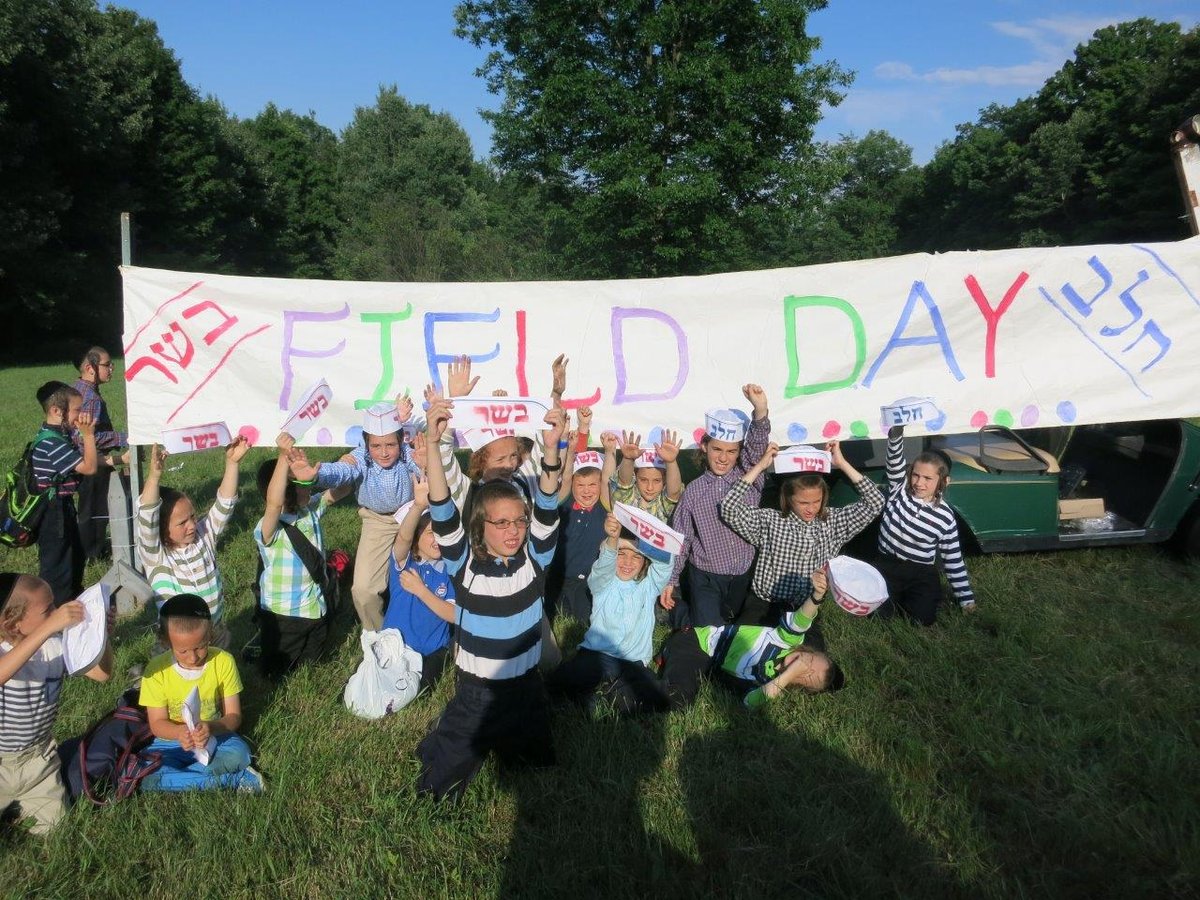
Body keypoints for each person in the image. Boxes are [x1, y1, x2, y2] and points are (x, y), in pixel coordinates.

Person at [403, 390, 566, 800]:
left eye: (519, 522)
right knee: (453, 760)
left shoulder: (536, 558)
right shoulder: (465, 564)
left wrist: (551, 451)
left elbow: (547, 503)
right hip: (477, 690)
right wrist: (436, 442)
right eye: (502, 523)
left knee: (535, 756)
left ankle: (520, 751)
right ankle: (434, 779)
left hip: (526, 684)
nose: (513, 531)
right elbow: (441, 504)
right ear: (481, 526)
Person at [291, 396, 422, 631]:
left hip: (414, 516)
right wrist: (317, 477)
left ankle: (421, 627)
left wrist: (425, 462)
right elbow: (343, 470)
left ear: (400, 440)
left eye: (390, 445)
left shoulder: (406, 453)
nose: (383, 453)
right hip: (377, 520)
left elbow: (424, 467)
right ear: (365, 443)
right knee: (363, 590)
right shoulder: (360, 457)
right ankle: (377, 634)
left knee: (423, 575)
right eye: (376, 446)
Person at [720, 442, 884, 625]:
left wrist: (842, 463)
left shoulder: (833, 522)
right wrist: (760, 467)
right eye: (803, 503)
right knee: (745, 647)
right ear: (788, 498)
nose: (811, 509)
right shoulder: (770, 520)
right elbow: (728, 507)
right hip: (765, 603)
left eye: (817, 501)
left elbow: (875, 502)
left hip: (806, 606)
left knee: (808, 652)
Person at [0, 573, 112, 834]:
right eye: (47, 609)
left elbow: (102, 675)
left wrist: (102, 637)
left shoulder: (55, 645)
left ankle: (20, 805)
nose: (57, 611)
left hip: (38, 760)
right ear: (14, 624)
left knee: (55, 828)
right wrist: (48, 628)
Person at [660, 386, 770, 627]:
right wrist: (672, 580)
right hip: (706, 575)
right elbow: (683, 538)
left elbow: (757, 447)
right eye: (717, 449)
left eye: (731, 451)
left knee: (736, 625)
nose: (723, 457)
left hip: (742, 572)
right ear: (704, 447)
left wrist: (760, 411)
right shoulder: (694, 492)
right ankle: (683, 617)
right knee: (707, 631)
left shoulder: (751, 478)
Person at [659, 569, 843, 710]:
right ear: (806, 650)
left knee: (684, 692)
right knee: (678, 697)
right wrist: (817, 595)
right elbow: (802, 620)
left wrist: (787, 676)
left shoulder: (767, 683)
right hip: (698, 642)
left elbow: (749, 702)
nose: (803, 664)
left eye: (809, 675)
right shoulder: (784, 640)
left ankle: (674, 621)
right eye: (809, 659)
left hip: (707, 663)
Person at [546, 514, 672, 715]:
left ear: (644, 562)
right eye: (621, 554)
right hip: (597, 656)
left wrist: (651, 537)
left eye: (636, 557)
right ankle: (592, 694)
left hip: (633, 662)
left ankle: (606, 694)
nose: (628, 562)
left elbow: (665, 563)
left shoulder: (649, 586)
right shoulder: (602, 583)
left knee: (654, 700)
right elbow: (604, 564)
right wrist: (613, 539)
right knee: (560, 680)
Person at [138, 593, 263, 793]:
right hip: (171, 742)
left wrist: (211, 727)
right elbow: (157, 724)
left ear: (210, 634)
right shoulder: (156, 670)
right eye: (183, 651)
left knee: (240, 754)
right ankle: (232, 780)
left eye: (201, 647)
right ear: (165, 642)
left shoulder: (223, 661)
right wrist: (179, 733)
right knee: (145, 774)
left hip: (216, 739)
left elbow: (234, 716)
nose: (193, 657)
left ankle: (180, 779)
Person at [136, 436, 251, 647]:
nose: (191, 525)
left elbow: (224, 504)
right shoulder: (156, 556)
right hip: (179, 643)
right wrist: (154, 477)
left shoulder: (203, 536)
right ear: (161, 530)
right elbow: (147, 516)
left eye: (192, 516)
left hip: (214, 633)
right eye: (182, 523)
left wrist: (233, 463)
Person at [252, 434, 335, 679]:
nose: (303, 483)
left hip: (315, 610)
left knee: (312, 667)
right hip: (284, 616)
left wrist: (311, 479)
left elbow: (339, 490)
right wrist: (282, 457)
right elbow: (274, 503)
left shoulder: (309, 510)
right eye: (295, 481)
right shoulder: (269, 527)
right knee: (275, 673)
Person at [874, 424, 976, 624]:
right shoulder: (899, 490)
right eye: (916, 475)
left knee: (922, 620)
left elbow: (953, 560)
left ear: (944, 482)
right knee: (878, 616)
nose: (919, 483)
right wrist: (896, 433)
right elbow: (894, 461)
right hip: (887, 564)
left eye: (928, 478)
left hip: (920, 573)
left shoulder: (945, 516)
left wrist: (967, 600)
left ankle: (915, 600)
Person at [383, 479, 454, 694]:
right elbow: (403, 538)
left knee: (421, 692)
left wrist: (421, 590)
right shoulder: (405, 564)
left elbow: (455, 615)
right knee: (369, 685)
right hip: (396, 647)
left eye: (442, 534)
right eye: (431, 533)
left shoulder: (451, 571)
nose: (437, 541)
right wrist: (418, 506)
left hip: (431, 650)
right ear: (417, 537)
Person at [31, 381, 97, 606]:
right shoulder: (51, 442)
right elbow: (89, 467)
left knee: (74, 559)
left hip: (62, 507)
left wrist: (119, 459)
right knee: (58, 568)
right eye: (77, 410)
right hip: (53, 513)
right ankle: (53, 614)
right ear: (56, 411)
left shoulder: (58, 437)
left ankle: (72, 603)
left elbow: (81, 463)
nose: (81, 416)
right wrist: (88, 435)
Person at [546, 413, 609, 624]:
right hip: (560, 577)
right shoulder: (565, 502)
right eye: (580, 485)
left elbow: (607, 478)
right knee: (554, 615)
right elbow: (565, 476)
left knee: (584, 619)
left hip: (589, 582)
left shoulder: (603, 506)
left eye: (593, 485)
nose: (587, 491)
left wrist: (610, 453)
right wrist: (571, 450)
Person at [71, 346, 128, 562]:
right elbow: (88, 437)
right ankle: (92, 553)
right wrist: (125, 439)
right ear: (90, 367)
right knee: (95, 508)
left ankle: (89, 548)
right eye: (106, 364)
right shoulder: (92, 398)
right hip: (93, 461)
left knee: (88, 508)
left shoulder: (78, 389)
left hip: (83, 461)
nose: (111, 368)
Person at [602, 428, 683, 521]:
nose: (650, 488)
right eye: (643, 480)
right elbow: (624, 483)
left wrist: (671, 462)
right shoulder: (628, 498)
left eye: (657, 481)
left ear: (665, 479)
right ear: (635, 476)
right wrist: (628, 459)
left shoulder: (662, 503)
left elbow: (674, 493)